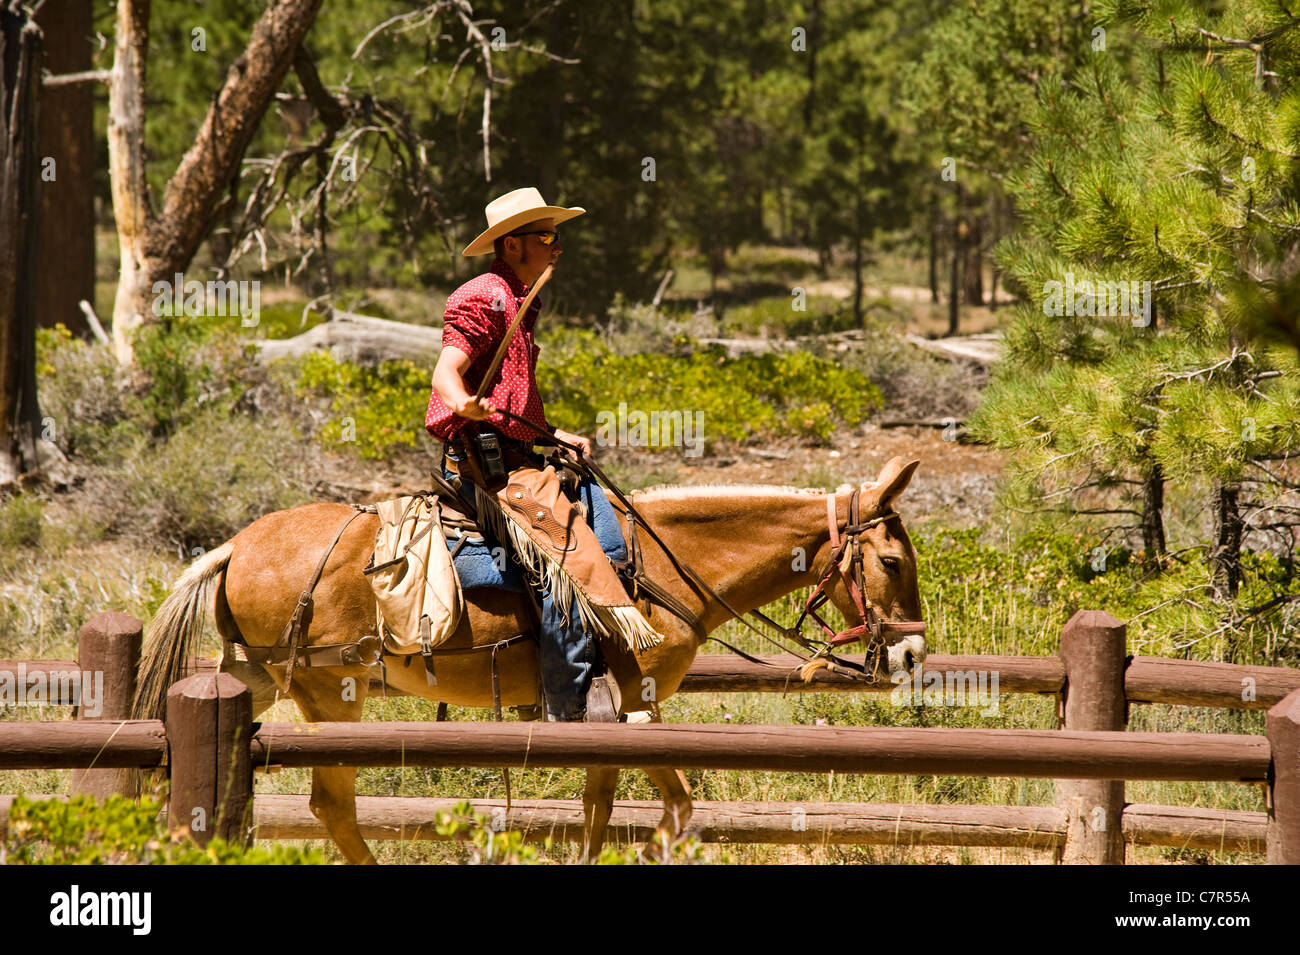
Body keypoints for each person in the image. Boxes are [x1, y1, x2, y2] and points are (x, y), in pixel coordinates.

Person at [425, 187, 663, 721]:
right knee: (567, 559)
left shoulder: (521, 298)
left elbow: (512, 395)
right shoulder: (484, 295)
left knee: (602, 520)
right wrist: (463, 402)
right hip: (483, 463)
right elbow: (446, 368)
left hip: (519, 454)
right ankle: (569, 708)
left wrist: (554, 434)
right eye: (546, 236)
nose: (557, 247)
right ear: (511, 245)